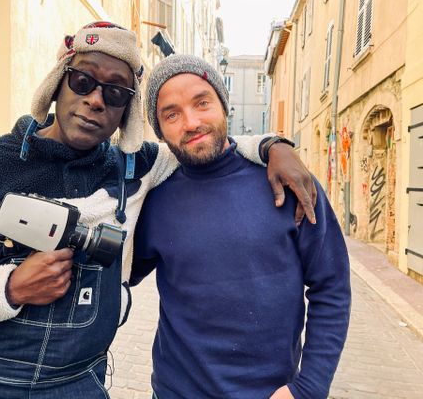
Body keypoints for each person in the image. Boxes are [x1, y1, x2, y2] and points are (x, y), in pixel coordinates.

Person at [0, 23, 316, 398]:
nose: (96, 100)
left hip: (80, 382)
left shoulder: (136, 168)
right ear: (58, 84)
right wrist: (10, 287)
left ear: (126, 113)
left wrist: (273, 147)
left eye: (115, 92)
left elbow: (201, 138)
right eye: (83, 81)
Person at [131, 54, 351, 399]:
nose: (191, 122)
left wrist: (309, 387)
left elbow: (332, 287)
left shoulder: (289, 182)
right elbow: (117, 275)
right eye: (171, 114)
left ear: (223, 104)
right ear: (160, 130)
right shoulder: (154, 198)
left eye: (202, 103)